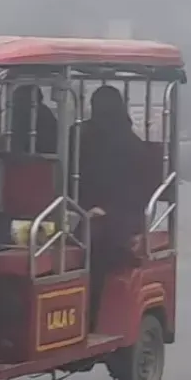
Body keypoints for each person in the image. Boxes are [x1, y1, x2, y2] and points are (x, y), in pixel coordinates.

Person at [78, 85, 153, 323]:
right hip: (81, 210)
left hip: (120, 216)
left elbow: (137, 193)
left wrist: (106, 210)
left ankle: (89, 317)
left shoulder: (132, 147)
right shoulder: (82, 136)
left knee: (94, 245)